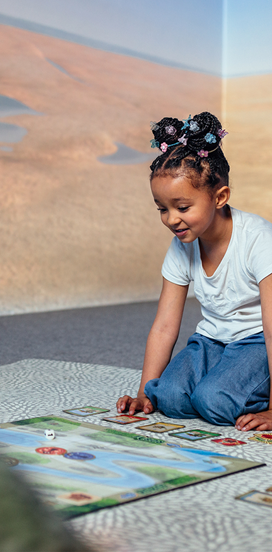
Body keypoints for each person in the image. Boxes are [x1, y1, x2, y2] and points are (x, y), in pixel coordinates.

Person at [116, 111, 272, 431]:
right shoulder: (182, 245)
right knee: (168, 397)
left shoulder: (259, 239)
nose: (172, 219)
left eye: (182, 207)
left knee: (212, 400)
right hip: (211, 340)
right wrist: (144, 393)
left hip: (258, 342)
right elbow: (164, 326)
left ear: (220, 197)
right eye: (163, 208)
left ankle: (247, 386)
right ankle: (225, 380)